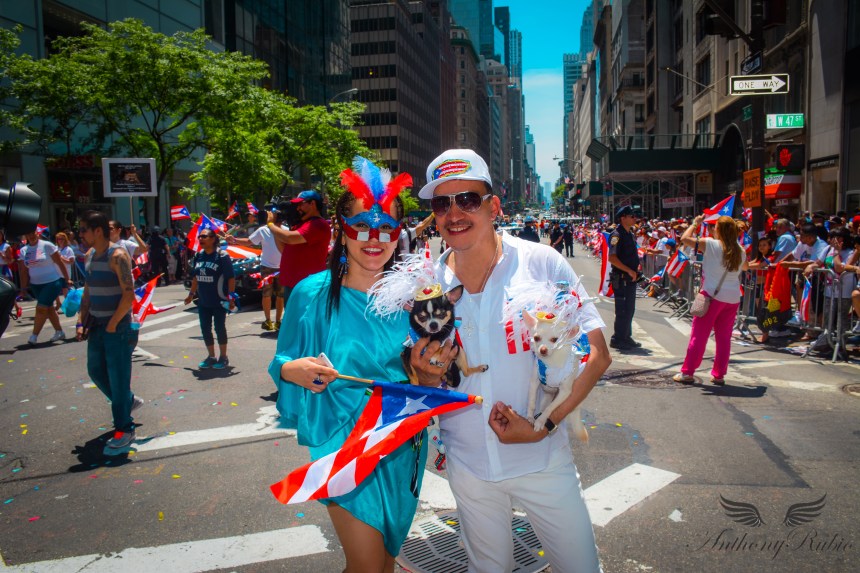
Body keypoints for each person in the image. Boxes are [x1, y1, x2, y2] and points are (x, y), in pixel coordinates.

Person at [410, 149, 611, 573]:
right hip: (467, 467)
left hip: (543, 460)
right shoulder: (427, 285)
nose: (453, 213)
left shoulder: (541, 263)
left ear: (493, 206)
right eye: (441, 204)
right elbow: (423, 382)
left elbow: (597, 355)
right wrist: (422, 376)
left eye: (466, 199)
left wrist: (544, 427)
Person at [268, 159, 426, 573]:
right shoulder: (311, 294)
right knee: (369, 566)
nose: (374, 239)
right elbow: (281, 361)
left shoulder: (414, 300)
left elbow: (426, 371)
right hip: (342, 439)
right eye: (361, 226)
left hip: (400, 439)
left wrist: (433, 368)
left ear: (398, 234)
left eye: (386, 228)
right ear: (342, 228)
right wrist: (295, 370)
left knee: (383, 560)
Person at [75, 211, 143, 451]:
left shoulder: (118, 255)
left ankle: (125, 428)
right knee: (95, 370)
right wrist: (82, 320)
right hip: (96, 325)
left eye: (83, 230)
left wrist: (113, 324)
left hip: (117, 327)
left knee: (118, 377)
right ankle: (127, 400)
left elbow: (128, 295)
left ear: (98, 231)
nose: (80, 235)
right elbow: (88, 289)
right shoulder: (90, 255)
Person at [673, 215, 748, 386]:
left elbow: (684, 239)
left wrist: (695, 223)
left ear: (719, 230)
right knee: (724, 339)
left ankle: (688, 372)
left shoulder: (711, 244)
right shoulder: (740, 250)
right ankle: (719, 374)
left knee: (699, 336)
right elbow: (745, 267)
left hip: (712, 296)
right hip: (732, 298)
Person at [267, 190, 331, 304]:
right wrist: (277, 226)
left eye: (301, 204)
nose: (298, 208)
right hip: (293, 284)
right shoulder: (300, 225)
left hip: (308, 286)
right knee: (293, 321)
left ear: (313, 204)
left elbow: (289, 238)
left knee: (305, 321)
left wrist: (271, 225)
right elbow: (284, 248)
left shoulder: (318, 224)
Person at [184, 229, 235, 369]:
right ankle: (211, 356)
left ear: (213, 239)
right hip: (203, 301)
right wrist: (191, 294)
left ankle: (223, 357)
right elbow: (196, 277)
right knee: (205, 329)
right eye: (199, 236)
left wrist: (231, 298)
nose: (200, 239)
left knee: (219, 328)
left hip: (219, 300)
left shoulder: (222, 256)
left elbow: (231, 278)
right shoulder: (199, 255)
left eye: (204, 236)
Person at [226, 216, 285, 331]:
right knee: (266, 294)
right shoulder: (263, 230)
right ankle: (268, 320)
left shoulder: (286, 230)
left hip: (282, 267)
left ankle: (278, 321)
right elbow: (249, 241)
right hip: (267, 267)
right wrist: (234, 240)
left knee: (280, 295)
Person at [18, 230, 73, 345]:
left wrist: (67, 279)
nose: (31, 236)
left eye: (33, 233)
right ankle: (59, 331)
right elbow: (23, 271)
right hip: (35, 285)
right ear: (26, 236)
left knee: (41, 308)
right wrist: (23, 288)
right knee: (48, 308)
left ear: (37, 234)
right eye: (29, 234)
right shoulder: (24, 250)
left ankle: (34, 336)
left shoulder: (47, 245)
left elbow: (60, 262)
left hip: (52, 282)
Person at [607, 205, 642, 350]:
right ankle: (618, 338)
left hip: (630, 278)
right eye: (631, 216)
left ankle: (626, 336)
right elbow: (612, 258)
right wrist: (629, 270)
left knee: (630, 309)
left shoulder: (629, 234)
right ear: (623, 218)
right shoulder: (617, 235)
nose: (635, 218)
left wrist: (635, 269)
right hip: (622, 278)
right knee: (622, 309)